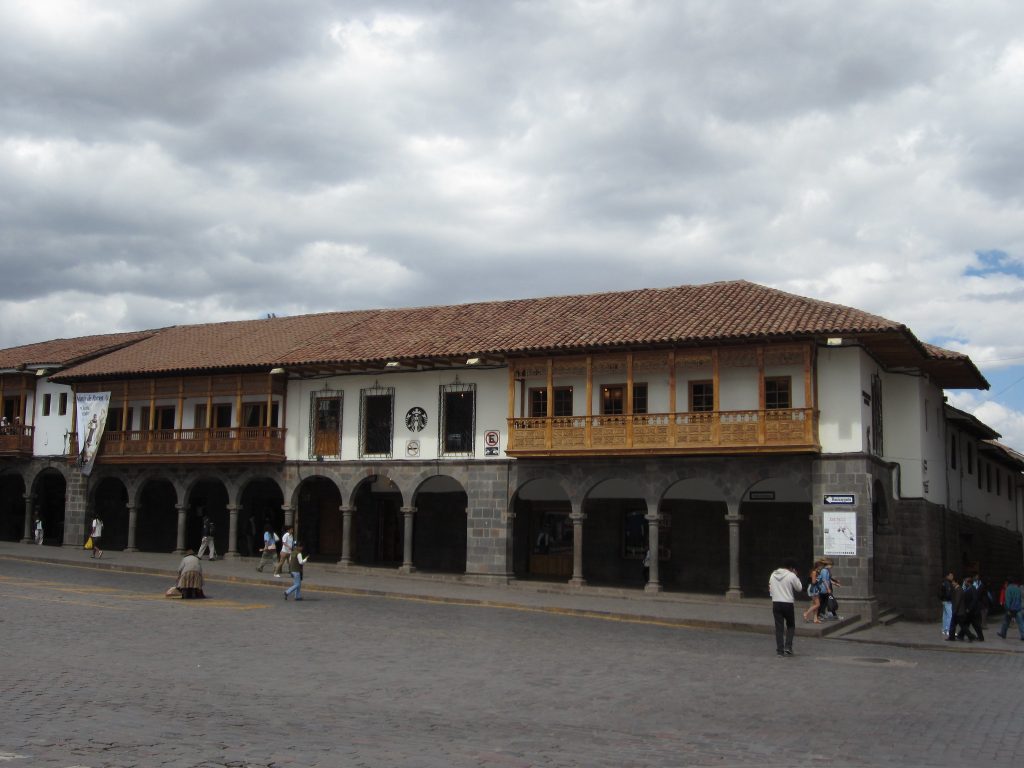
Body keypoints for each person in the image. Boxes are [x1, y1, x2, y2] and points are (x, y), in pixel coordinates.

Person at [769, 560, 802, 657]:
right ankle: (788, 647)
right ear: (791, 568)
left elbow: (770, 588)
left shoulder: (773, 575)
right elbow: (799, 588)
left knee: (779, 627)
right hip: (787, 603)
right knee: (791, 625)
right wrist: (796, 576)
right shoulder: (791, 575)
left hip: (776, 602)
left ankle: (780, 650)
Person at [996, 576, 1024, 641]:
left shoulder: (1008, 589)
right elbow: (1019, 599)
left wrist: (1008, 608)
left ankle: (1003, 633)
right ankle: (1023, 635)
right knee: (1020, 622)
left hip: (1010, 608)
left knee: (1006, 621)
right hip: (1017, 608)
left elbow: (1008, 600)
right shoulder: (1018, 588)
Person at [938, 571, 956, 637]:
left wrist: (942, 599)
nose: (952, 577)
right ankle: (948, 630)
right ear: (947, 576)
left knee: (945, 615)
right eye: (951, 576)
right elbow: (948, 593)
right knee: (950, 616)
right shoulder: (948, 583)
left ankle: (944, 629)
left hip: (944, 601)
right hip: (948, 601)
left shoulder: (943, 582)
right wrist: (951, 598)